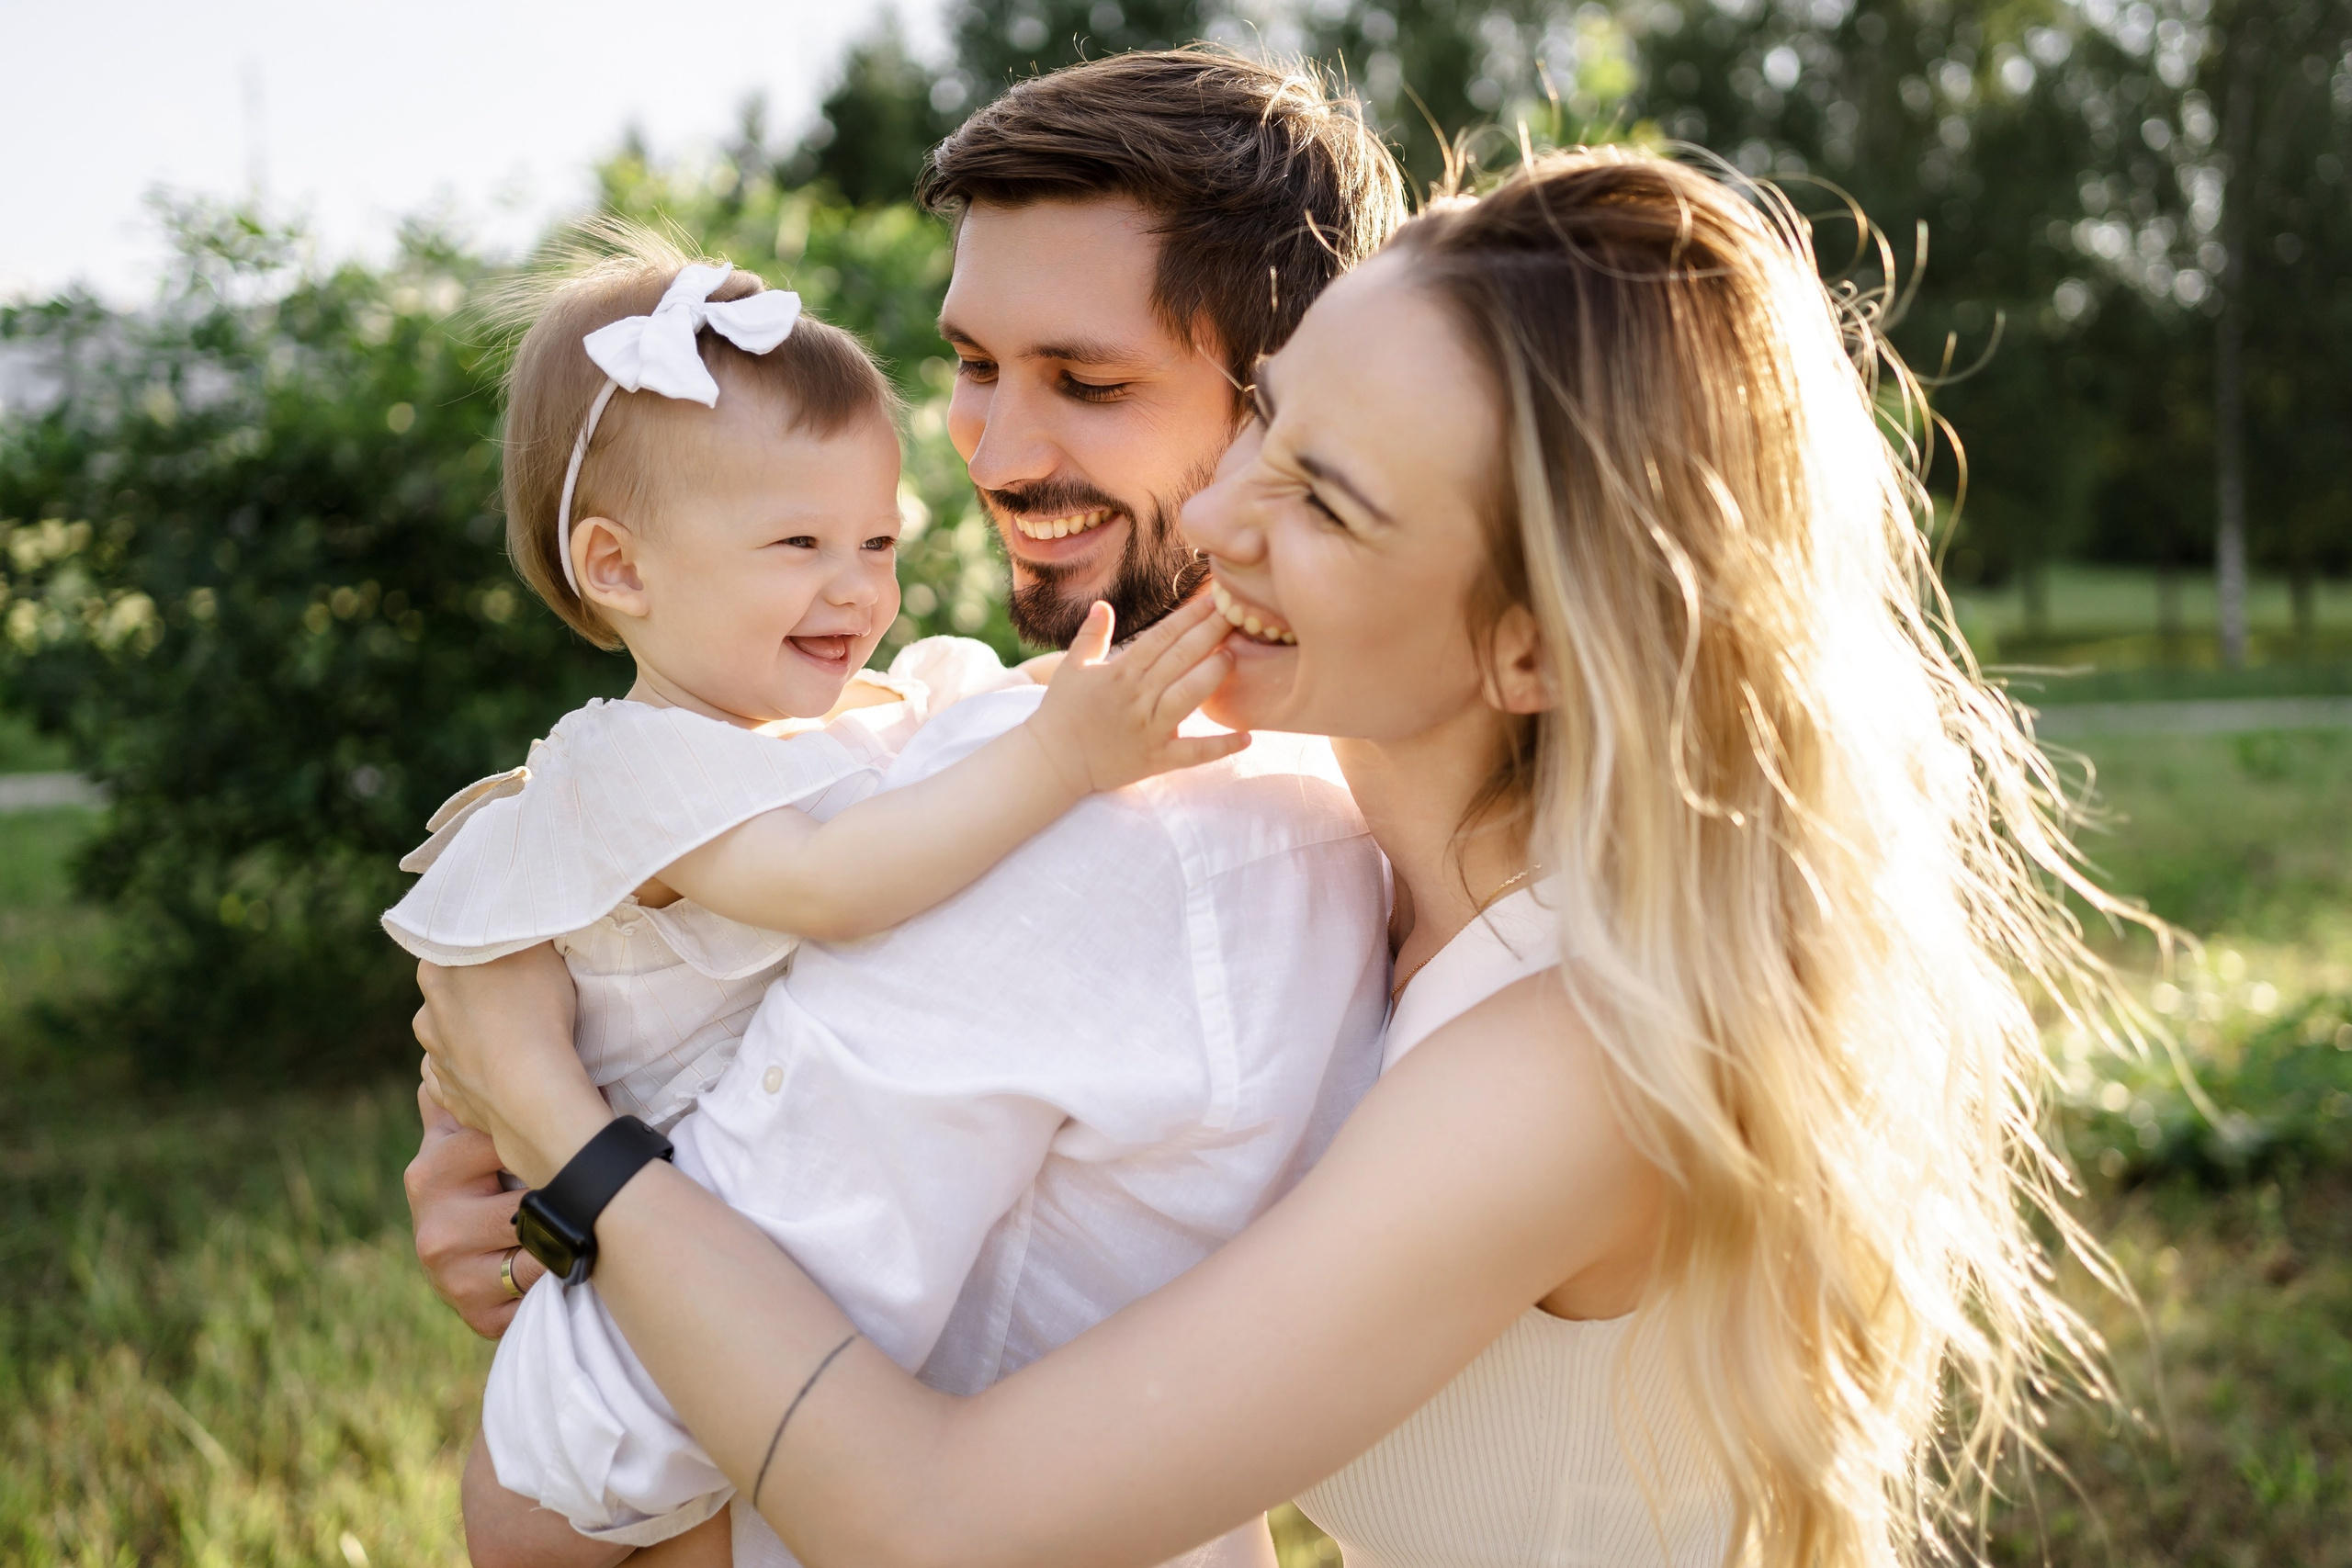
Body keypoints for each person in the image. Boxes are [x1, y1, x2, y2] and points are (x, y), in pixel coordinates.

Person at [419, 147, 2144, 1568]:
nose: (1224, 515)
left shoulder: (1570, 1058)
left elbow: (930, 1518)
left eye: (1328, 497)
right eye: (1265, 421)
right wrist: (547, 883)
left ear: (1530, 650)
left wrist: (564, 1128)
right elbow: (866, 763)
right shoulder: (1345, 857)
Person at [401, 49, 1408, 1568]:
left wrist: (549, 1131)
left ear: (1294, 409)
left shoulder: (1083, 825)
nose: (993, 453)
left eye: (1089, 381)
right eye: (974, 364)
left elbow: (561, 1490)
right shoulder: (1330, 790)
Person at [384, 239, 1245, 1132]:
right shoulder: (628, 767)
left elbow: (1017, 699)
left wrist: (1166, 654)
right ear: (619, 568)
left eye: (876, 543)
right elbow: (827, 885)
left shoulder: (876, 708)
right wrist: (1064, 752)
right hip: (695, 1203)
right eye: (799, 544)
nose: (857, 589)